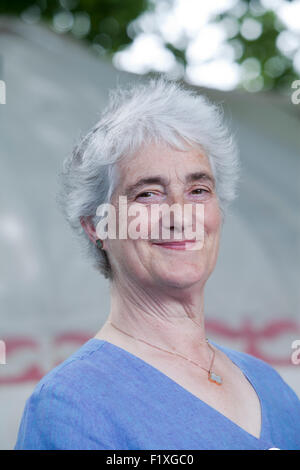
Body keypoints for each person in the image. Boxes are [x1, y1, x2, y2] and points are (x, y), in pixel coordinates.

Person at [14, 77, 300, 450]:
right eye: (148, 194)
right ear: (96, 225)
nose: (180, 216)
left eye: (198, 190)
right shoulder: (70, 406)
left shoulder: (273, 389)